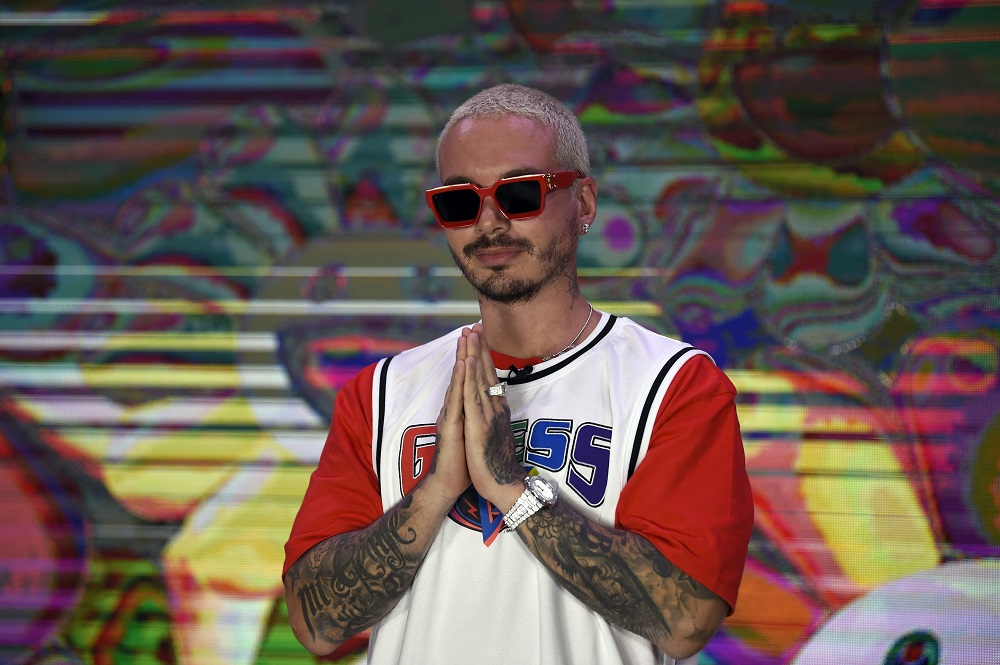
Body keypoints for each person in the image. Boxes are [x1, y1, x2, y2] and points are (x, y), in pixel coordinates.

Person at [282, 83, 754, 665]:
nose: (489, 221)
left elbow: (686, 621)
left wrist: (511, 486)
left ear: (583, 203)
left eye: (519, 193)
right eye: (460, 201)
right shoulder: (381, 393)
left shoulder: (673, 384)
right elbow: (315, 624)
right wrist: (432, 495)